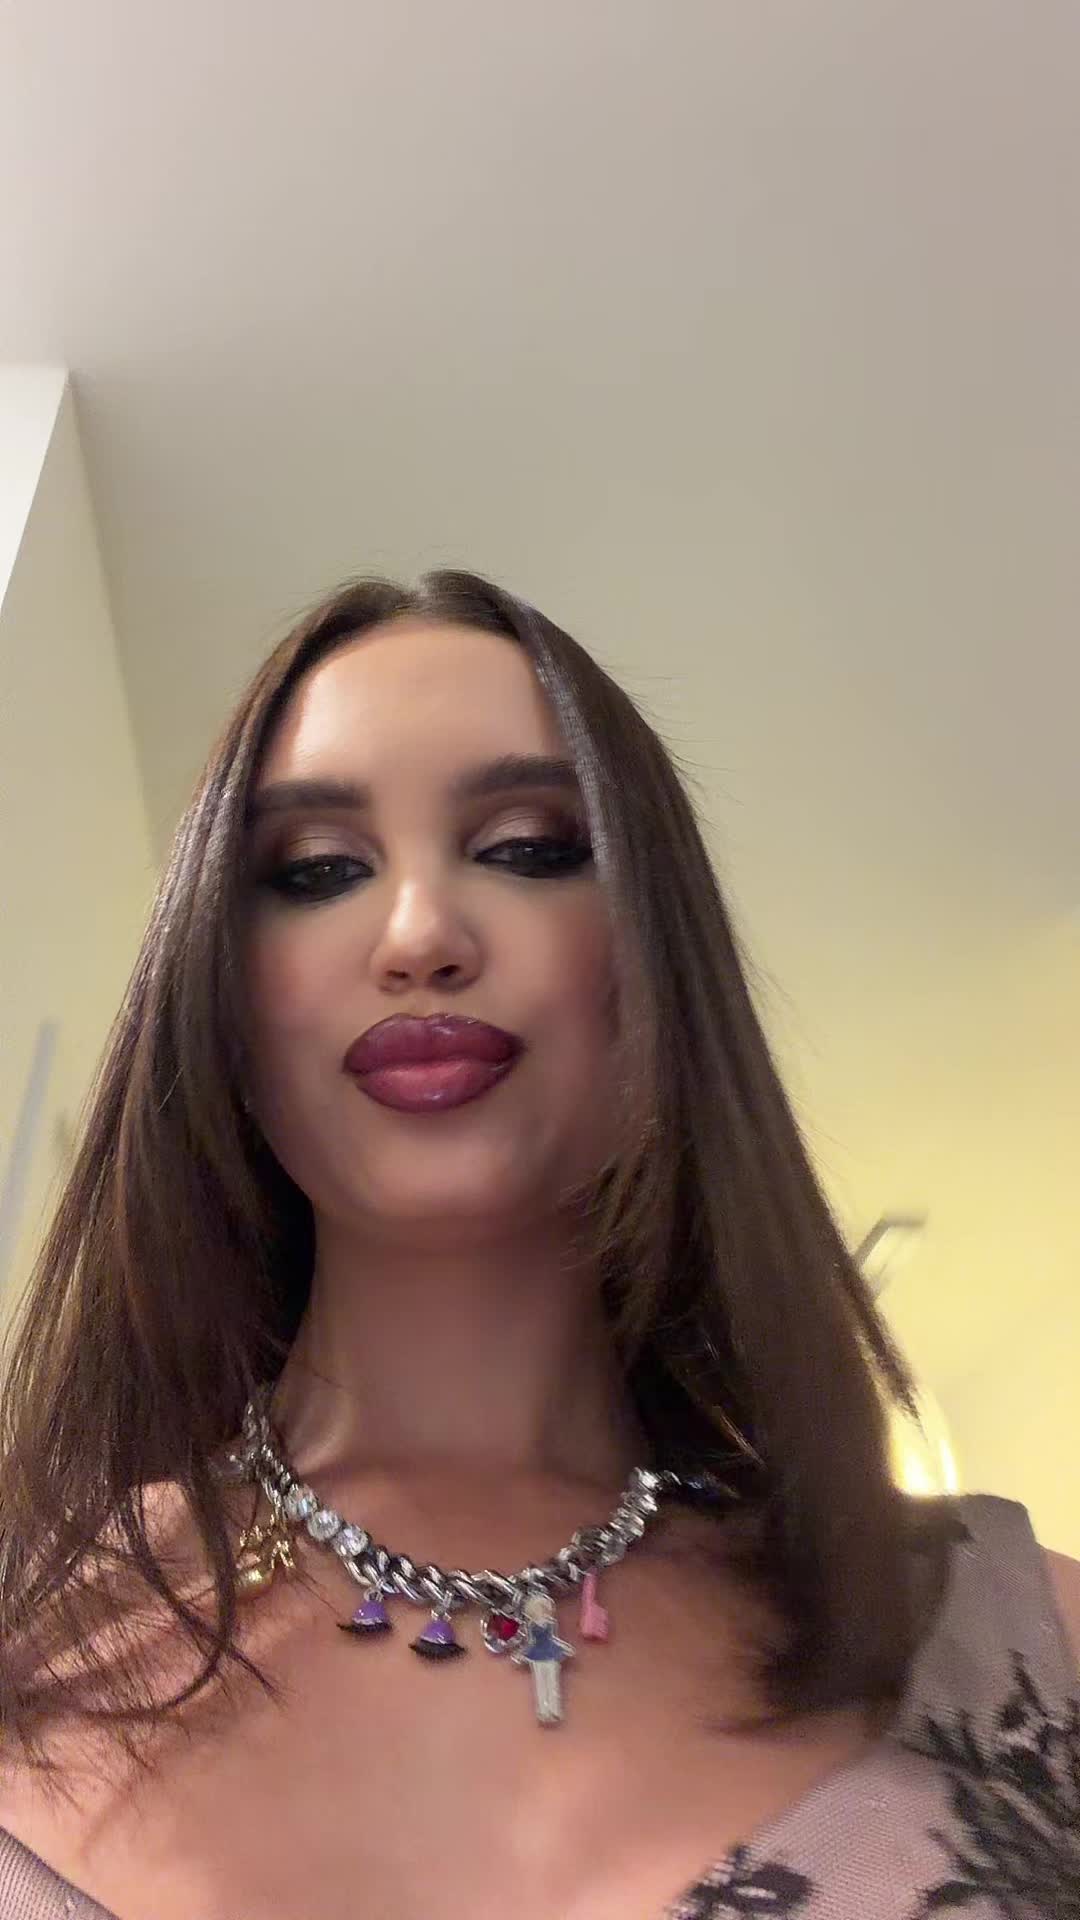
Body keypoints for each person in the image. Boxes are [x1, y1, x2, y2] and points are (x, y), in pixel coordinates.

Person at [0, 570, 1075, 1920]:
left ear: (655, 959)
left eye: (527, 849)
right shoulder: (33, 1620)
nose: (420, 936)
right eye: (317, 872)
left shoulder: (1013, 1638)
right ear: (216, 995)